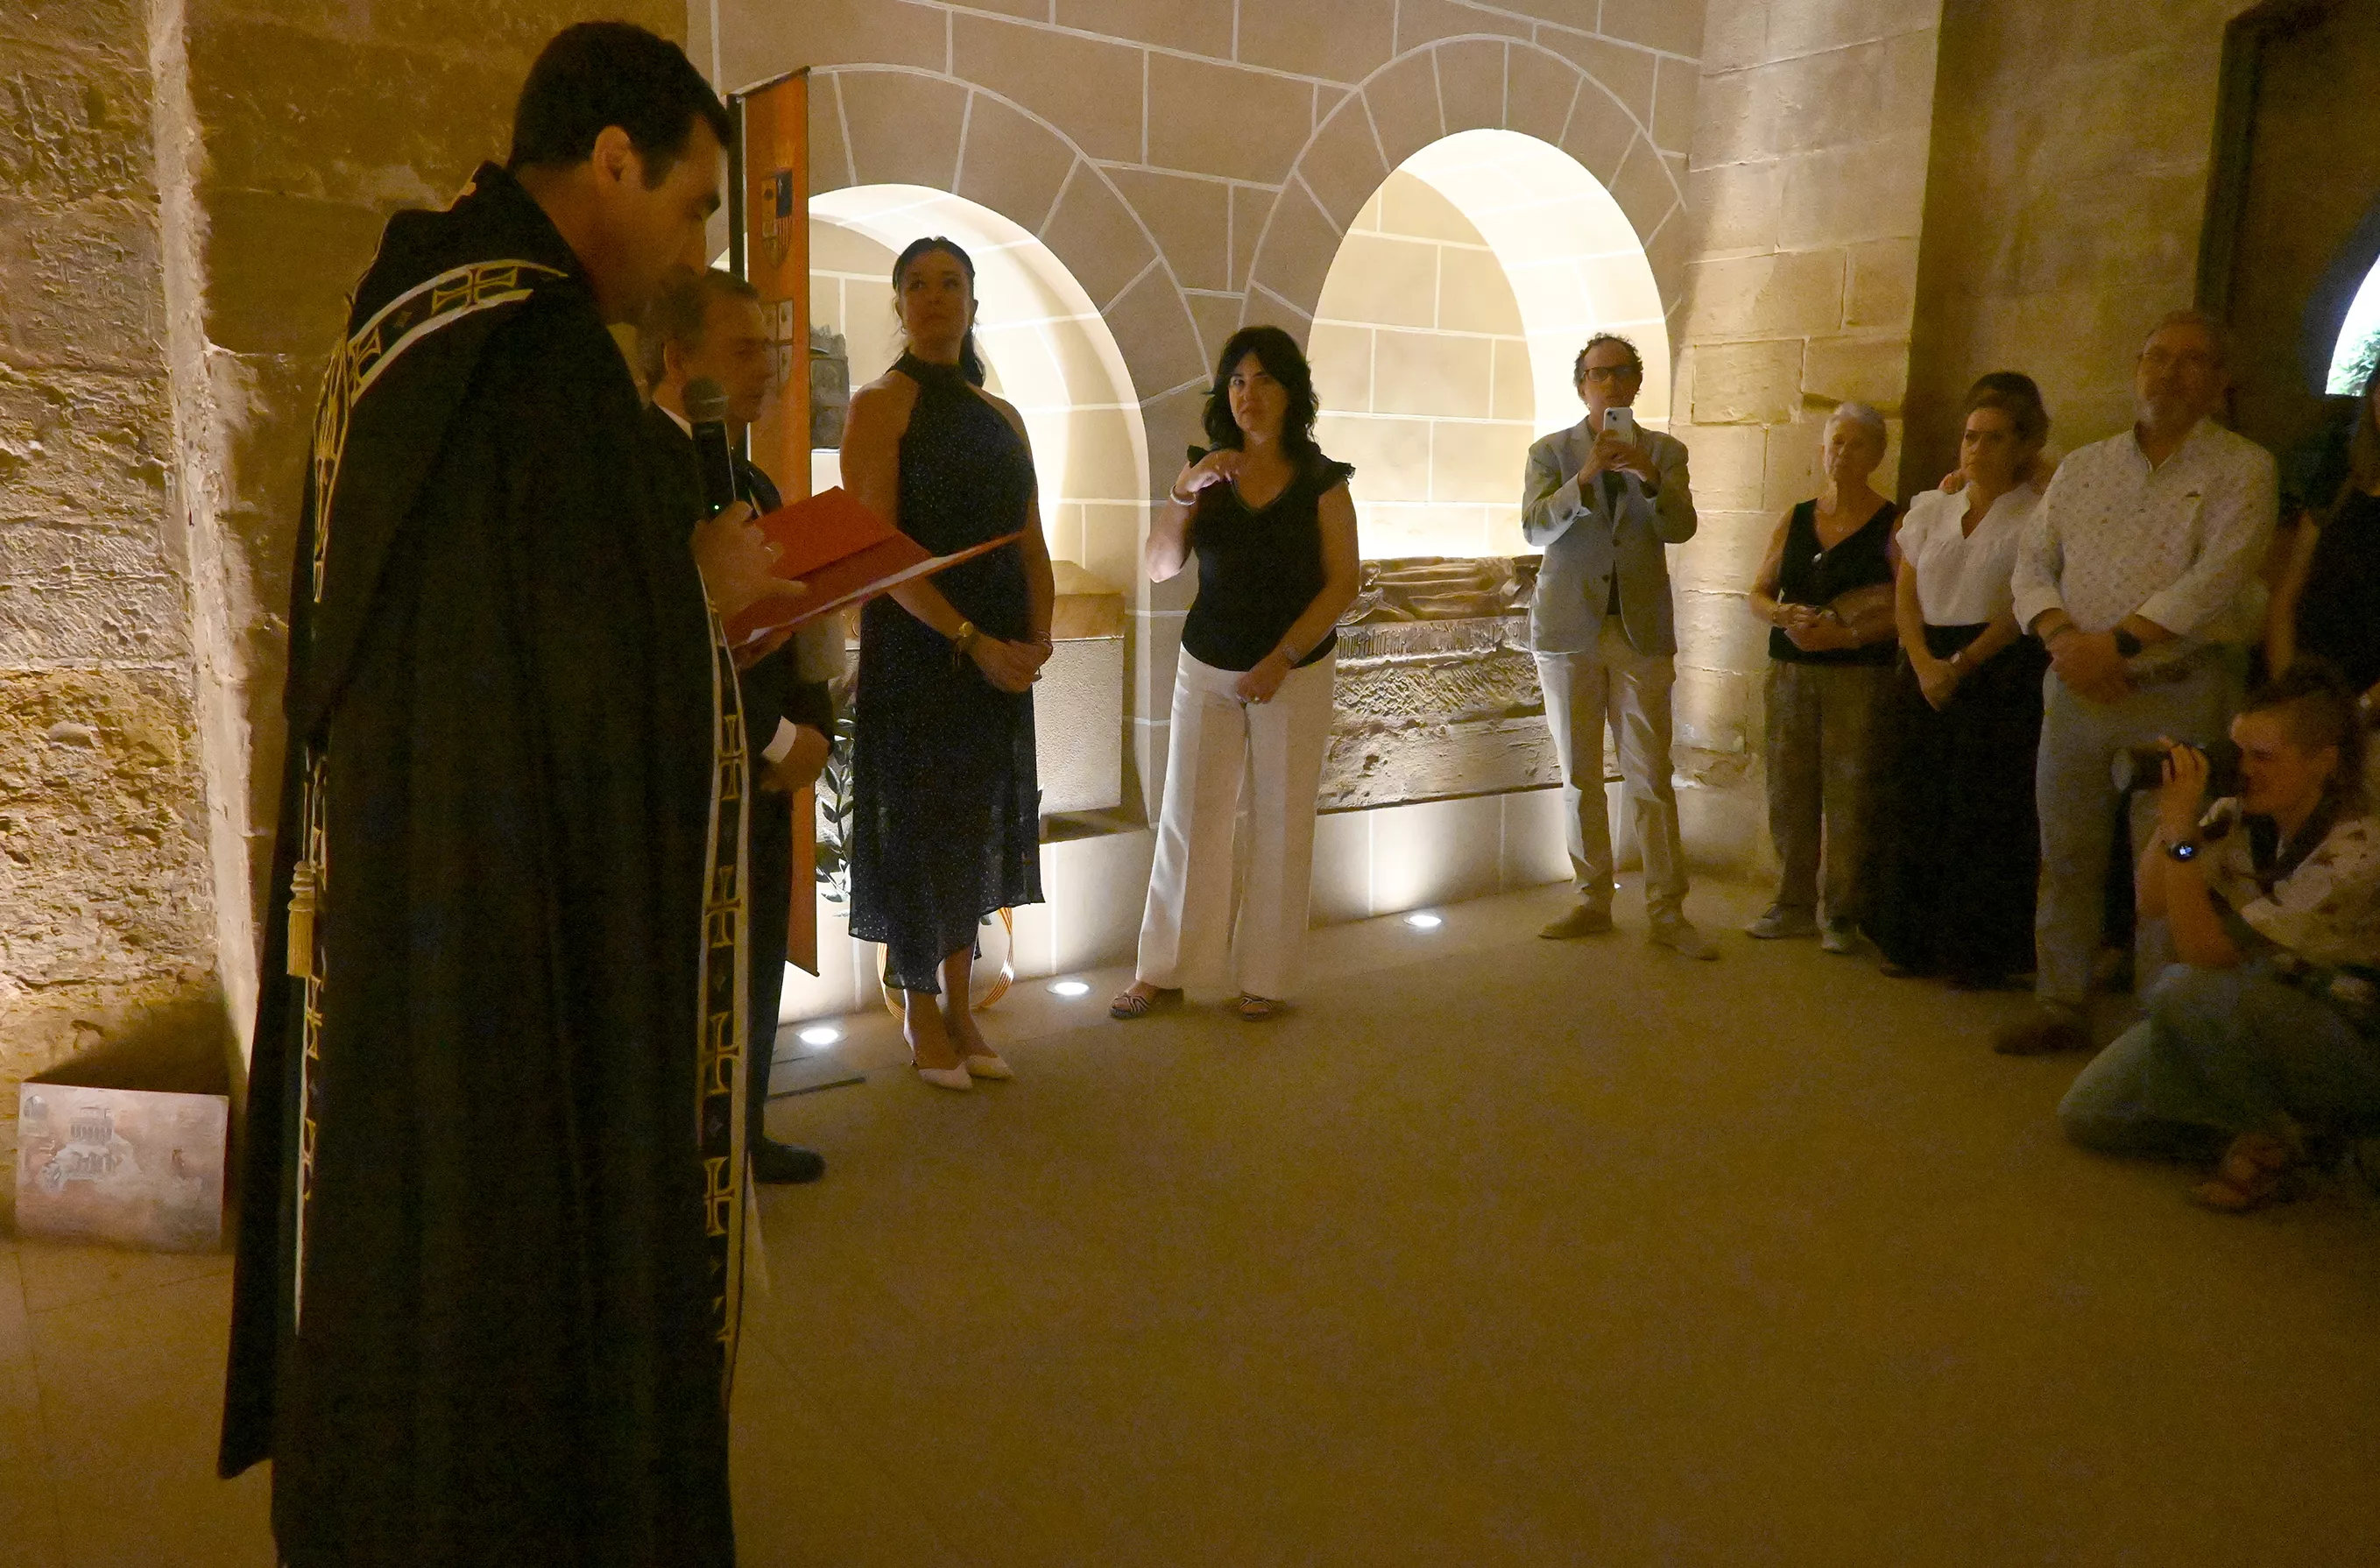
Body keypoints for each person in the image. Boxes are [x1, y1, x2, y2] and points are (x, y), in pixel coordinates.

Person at [220, 24, 801, 1564]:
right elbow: (603, 676)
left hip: (404, 876)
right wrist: (702, 589)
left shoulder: (411, 323)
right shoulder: (539, 368)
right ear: (612, 159)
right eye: (690, 207)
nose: (692, 249)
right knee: (509, 1234)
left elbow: (492, 638)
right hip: (507, 916)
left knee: (406, 1217)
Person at [1996, 311, 2278, 1056]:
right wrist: (2064, 639)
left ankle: (2157, 1025)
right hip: (2076, 689)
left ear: (2219, 383)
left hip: (2179, 688)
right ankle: (2059, 1000)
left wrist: (2114, 647)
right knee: (2066, 853)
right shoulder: (2083, 468)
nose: (2168, 372)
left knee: (2171, 856)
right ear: (2136, 368)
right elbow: (2031, 563)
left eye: (2191, 361)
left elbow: (2216, 580)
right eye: (2156, 356)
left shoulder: (2243, 468)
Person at [840, 237, 1053, 1090]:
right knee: (916, 823)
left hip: (997, 651)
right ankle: (919, 1009)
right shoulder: (876, 405)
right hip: (921, 643)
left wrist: (1035, 639)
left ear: (971, 301)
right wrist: (967, 636)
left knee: (971, 824)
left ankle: (963, 1005)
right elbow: (880, 555)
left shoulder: (1003, 417)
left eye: (950, 283)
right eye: (917, 284)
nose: (933, 296)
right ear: (899, 304)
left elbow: (1032, 543)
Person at [2058, 661, 2380, 1211]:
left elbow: (2203, 954)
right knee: (2089, 1116)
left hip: (2350, 1037)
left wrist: (2184, 835)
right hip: (2252, 1010)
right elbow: (2152, 902)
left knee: (2181, 988)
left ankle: (2271, 1142)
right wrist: (2176, 811)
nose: (2243, 770)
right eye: (2235, 751)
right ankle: (2290, 1129)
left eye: (2263, 757)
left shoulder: (2355, 851)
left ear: (2323, 763)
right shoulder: (2241, 813)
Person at [1111, 327, 1361, 1024]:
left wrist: (1280, 659)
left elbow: (1343, 583)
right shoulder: (1205, 473)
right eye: (1238, 381)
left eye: (1266, 380)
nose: (1250, 394)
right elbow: (1160, 567)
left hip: (1294, 668)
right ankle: (1164, 968)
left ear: (1292, 393)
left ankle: (1267, 977)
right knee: (1189, 819)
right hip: (1208, 663)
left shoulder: (1323, 480)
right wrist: (1182, 491)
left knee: (1281, 821)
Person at [642, 265, 832, 1183]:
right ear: (677, 358)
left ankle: (743, 1130)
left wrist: (814, 728)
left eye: (771, 348)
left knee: (754, 952)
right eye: (745, 348)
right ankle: (687, 1154)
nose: (769, 367)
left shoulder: (749, 474)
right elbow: (668, 628)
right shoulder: (637, 469)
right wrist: (774, 738)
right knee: (693, 967)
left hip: (766, 764)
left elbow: (799, 614)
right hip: (690, 772)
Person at [1517, 333, 1715, 960]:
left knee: (1650, 772)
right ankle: (1590, 897)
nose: (1608, 384)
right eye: (1597, 374)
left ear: (1634, 384)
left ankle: (1665, 908)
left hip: (1639, 631)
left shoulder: (1664, 451)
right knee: (1578, 774)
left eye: (1620, 373)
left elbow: (1680, 526)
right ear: (1580, 385)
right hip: (1568, 628)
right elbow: (1532, 526)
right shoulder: (1549, 452)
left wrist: (1650, 478)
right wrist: (1584, 477)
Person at [1866, 379, 2052, 986]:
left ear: (2021, 445)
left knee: (1985, 809)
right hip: (1925, 659)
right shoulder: (1932, 507)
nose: (1977, 448)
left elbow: (2023, 600)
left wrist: (1964, 663)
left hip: (1996, 664)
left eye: (1994, 438)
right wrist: (1921, 660)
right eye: (1970, 436)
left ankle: (1975, 953)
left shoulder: (2036, 512)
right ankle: (1909, 939)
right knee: (1916, 800)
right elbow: (1905, 594)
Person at [1746, 402, 1901, 952]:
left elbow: (1906, 608)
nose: (1843, 453)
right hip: (1790, 669)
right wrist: (1782, 614)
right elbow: (1758, 592)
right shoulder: (1797, 516)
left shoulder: (1893, 522)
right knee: (1789, 788)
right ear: (1822, 449)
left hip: (1856, 675)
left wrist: (1845, 635)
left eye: (1857, 443)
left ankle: (1843, 913)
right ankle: (1791, 903)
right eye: (1836, 441)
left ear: (1878, 454)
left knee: (1851, 790)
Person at [2266, 360, 2380, 702]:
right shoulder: (2341, 476)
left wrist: (2359, 709)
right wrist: (2288, 691)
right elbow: (2288, 596)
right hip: (2306, 681)